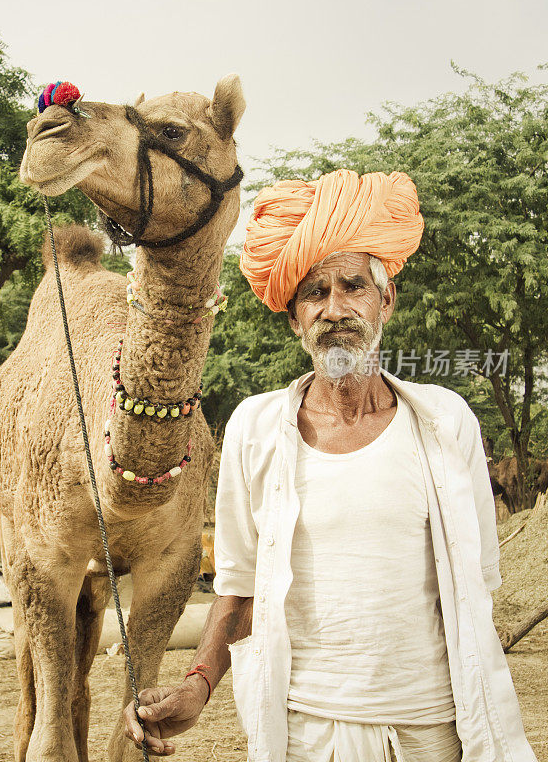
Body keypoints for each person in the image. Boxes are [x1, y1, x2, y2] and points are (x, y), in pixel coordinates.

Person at [123, 169, 536, 762]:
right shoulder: (255, 428)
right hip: (305, 731)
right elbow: (237, 589)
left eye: (352, 286)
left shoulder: (446, 423)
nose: (335, 308)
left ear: (385, 300)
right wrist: (198, 686)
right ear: (294, 317)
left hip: (433, 728)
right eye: (315, 293)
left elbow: (479, 581)